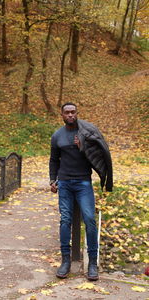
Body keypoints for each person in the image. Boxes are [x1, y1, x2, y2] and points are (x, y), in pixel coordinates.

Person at [49, 102, 113, 281]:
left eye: (73, 112)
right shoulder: (57, 136)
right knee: (65, 220)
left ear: (77, 113)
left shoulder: (86, 133)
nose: (70, 115)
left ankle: (92, 262)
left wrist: (83, 148)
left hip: (84, 182)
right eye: (67, 113)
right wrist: (52, 180)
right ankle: (65, 260)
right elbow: (54, 160)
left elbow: (99, 153)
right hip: (65, 183)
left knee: (90, 219)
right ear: (62, 115)